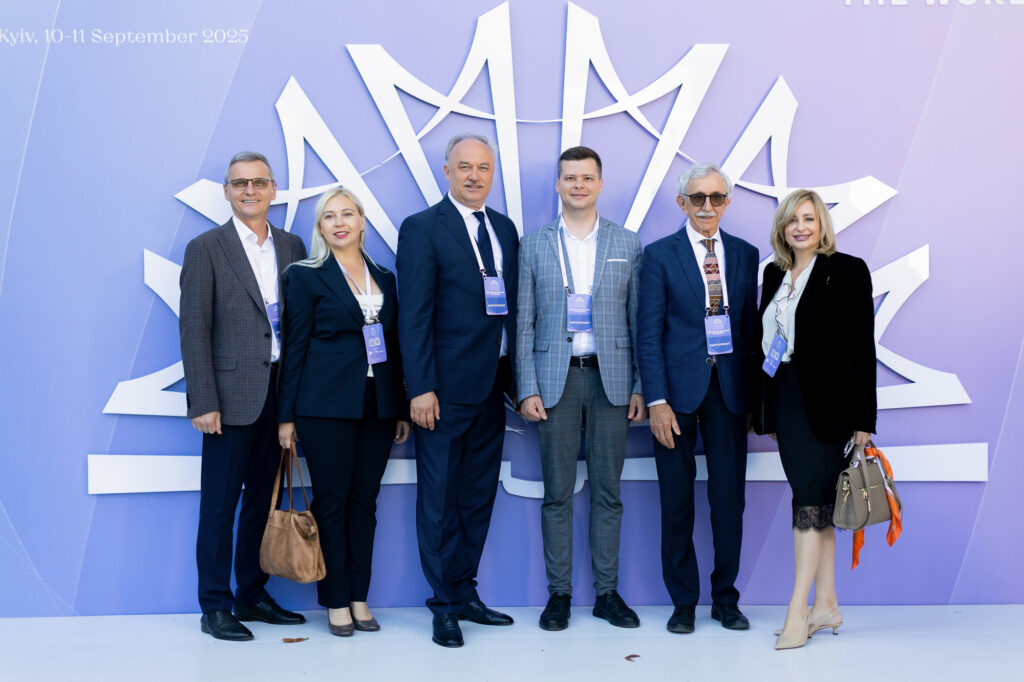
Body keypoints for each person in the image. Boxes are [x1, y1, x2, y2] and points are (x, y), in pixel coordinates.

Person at [396, 133, 520, 648]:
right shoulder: (423, 227)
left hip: (493, 388)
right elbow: (414, 314)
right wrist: (420, 387)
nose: (474, 175)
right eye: (464, 166)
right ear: (447, 171)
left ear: (492, 174)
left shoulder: (504, 229)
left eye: (483, 167)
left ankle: (466, 592)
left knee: (476, 497)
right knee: (439, 500)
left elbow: (510, 308)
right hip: (443, 392)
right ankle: (443, 604)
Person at [179, 151, 308, 641]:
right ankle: (214, 605)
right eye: (239, 184)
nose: (249, 191)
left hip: (280, 394)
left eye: (258, 182)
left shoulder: (292, 246)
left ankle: (251, 594)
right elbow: (194, 329)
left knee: (261, 501)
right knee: (218, 507)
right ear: (227, 192)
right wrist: (203, 400)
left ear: (273, 189)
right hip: (229, 398)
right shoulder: (206, 248)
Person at [516, 146, 646, 631]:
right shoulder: (534, 245)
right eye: (570, 177)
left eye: (587, 177)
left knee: (609, 493)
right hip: (556, 381)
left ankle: (607, 593)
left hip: (613, 381)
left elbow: (638, 321)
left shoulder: (627, 243)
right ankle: (560, 595)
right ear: (558, 185)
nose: (578, 185)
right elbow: (524, 322)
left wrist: (639, 385)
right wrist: (526, 386)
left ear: (600, 184)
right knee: (557, 493)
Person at [276, 188, 411, 637]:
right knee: (331, 502)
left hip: (378, 406)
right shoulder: (305, 276)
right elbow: (295, 347)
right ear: (320, 227)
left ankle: (359, 597)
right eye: (329, 216)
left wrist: (399, 407)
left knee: (364, 503)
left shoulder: (384, 276)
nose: (339, 223)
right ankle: (335, 600)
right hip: (324, 407)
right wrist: (286, 416)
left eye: (347, 214)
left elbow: (394, 347)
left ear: (361, 221)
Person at [636, 163, 759, 635]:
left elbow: (750, 330)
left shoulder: (746, 255)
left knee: (729, 502)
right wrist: (657, 400)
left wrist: (755, 401)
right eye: (697, 197)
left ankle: (726, 599)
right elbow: (648, 334)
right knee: (676, 502)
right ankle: (683, 602)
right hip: (675, 398)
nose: (707, 206)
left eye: (716, 197)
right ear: (682, 203)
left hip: (730, 394)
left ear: (727, 201)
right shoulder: (659, 255)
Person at [755, 189, 876, 650]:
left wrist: (864, 419)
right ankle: (826, 605)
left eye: (809, 218)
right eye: (792, 220)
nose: (800, 227)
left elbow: (862, 349)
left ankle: (797, 610)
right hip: (784, 400)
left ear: (821, 224)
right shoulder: (773, 273)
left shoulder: (846, 270)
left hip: (829, 409)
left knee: (808, 503)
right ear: (782, 229)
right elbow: (766, 342)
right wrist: (762, 410)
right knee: (817, 504)